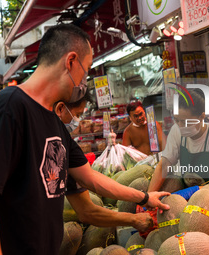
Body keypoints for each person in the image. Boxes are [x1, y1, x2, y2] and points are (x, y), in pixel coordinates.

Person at [0, 24, 169, 255]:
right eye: (85, 72)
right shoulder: (9, 108)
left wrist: (145, 197)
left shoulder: (55, 123)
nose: (84, 81)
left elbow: (92, 179)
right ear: (71, 62)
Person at [53, 89, 153, 231]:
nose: (78, 121)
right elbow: (91, 185)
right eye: (77, 115)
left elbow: (90, 183)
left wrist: (144, 199)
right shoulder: (35, 134)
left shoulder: (66, 144)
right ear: (60, 109)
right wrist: (141, 204)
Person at [148, 90, 209, 193]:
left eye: (186, 122)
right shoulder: (176, 130)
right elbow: (163, 166)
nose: (181, 126)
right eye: (177, 120)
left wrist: (196, 190)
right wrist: (148, 197)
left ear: (201, 117)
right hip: (188, 201)